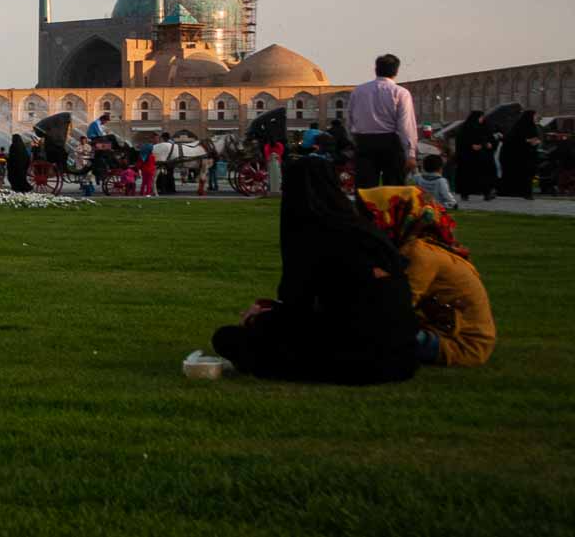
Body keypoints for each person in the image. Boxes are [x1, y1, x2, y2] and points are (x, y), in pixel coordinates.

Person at [208, 160, 418, 385]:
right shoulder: (363, 229)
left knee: (228, 337)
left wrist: (260, 318)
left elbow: (298, 308)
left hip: (360, 358)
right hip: (402, 354)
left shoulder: (311, 234)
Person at [357, 184, 495, 368]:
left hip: (460, 346)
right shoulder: (427, 247)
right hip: (455, 337)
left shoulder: (419, 253)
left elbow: (397, 306)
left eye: (375, 216)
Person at [345, 55, 417, 189]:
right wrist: (410, 153)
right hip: (391, 143)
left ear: (376, 69)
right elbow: (405, 125)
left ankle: (365, 210)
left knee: (365, 189)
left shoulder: (359, 91)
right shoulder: (400, 92)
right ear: (396, 71)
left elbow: (350, 119)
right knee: (393, 189)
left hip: (364, 143)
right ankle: (390, 211)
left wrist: (355, 141)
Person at [451, 111, 496, 201]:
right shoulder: (466, 128)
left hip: (480, 157)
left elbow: (489, 139)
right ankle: (466, 194)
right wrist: (471, 146)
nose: (482, 119)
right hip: (468, 158)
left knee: (482, 176)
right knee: (469, 176)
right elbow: (461, 141)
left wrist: (488, 144)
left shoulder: (483, 127)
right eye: (480, 117)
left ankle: (486, 193)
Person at [498, 111, 540, 200]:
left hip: (529, 155)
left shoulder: (533, 127)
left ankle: (526, 192)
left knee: (528, 174)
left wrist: (535, 142)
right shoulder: (519, 127)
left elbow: (534, 139)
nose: (536, 117)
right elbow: (511, 140)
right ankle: (524, 193)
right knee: (521, 174)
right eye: (535, 116)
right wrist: (527, 141)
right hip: (517, 157)